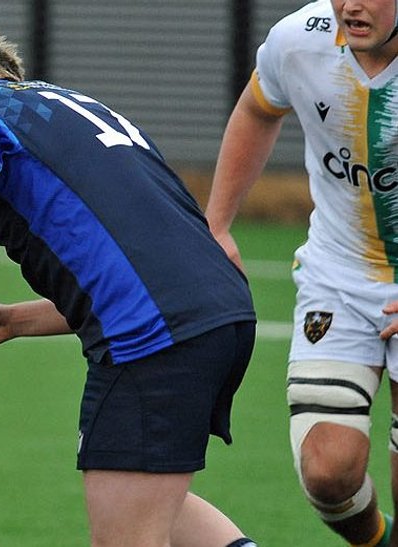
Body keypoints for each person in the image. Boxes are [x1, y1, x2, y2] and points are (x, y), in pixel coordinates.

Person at [0, 26, 258, 547]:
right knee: (148, 499)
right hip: (221, 314)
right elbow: (132, 268)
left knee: (124, 532)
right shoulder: (80, 112)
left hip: (155, 340)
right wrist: (16, 320)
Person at [206, 1, 398, 545]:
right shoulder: (299, 40)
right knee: (327, 471)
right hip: (338, 274)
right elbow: (257, 109)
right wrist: (216, 223)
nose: (352, 5)